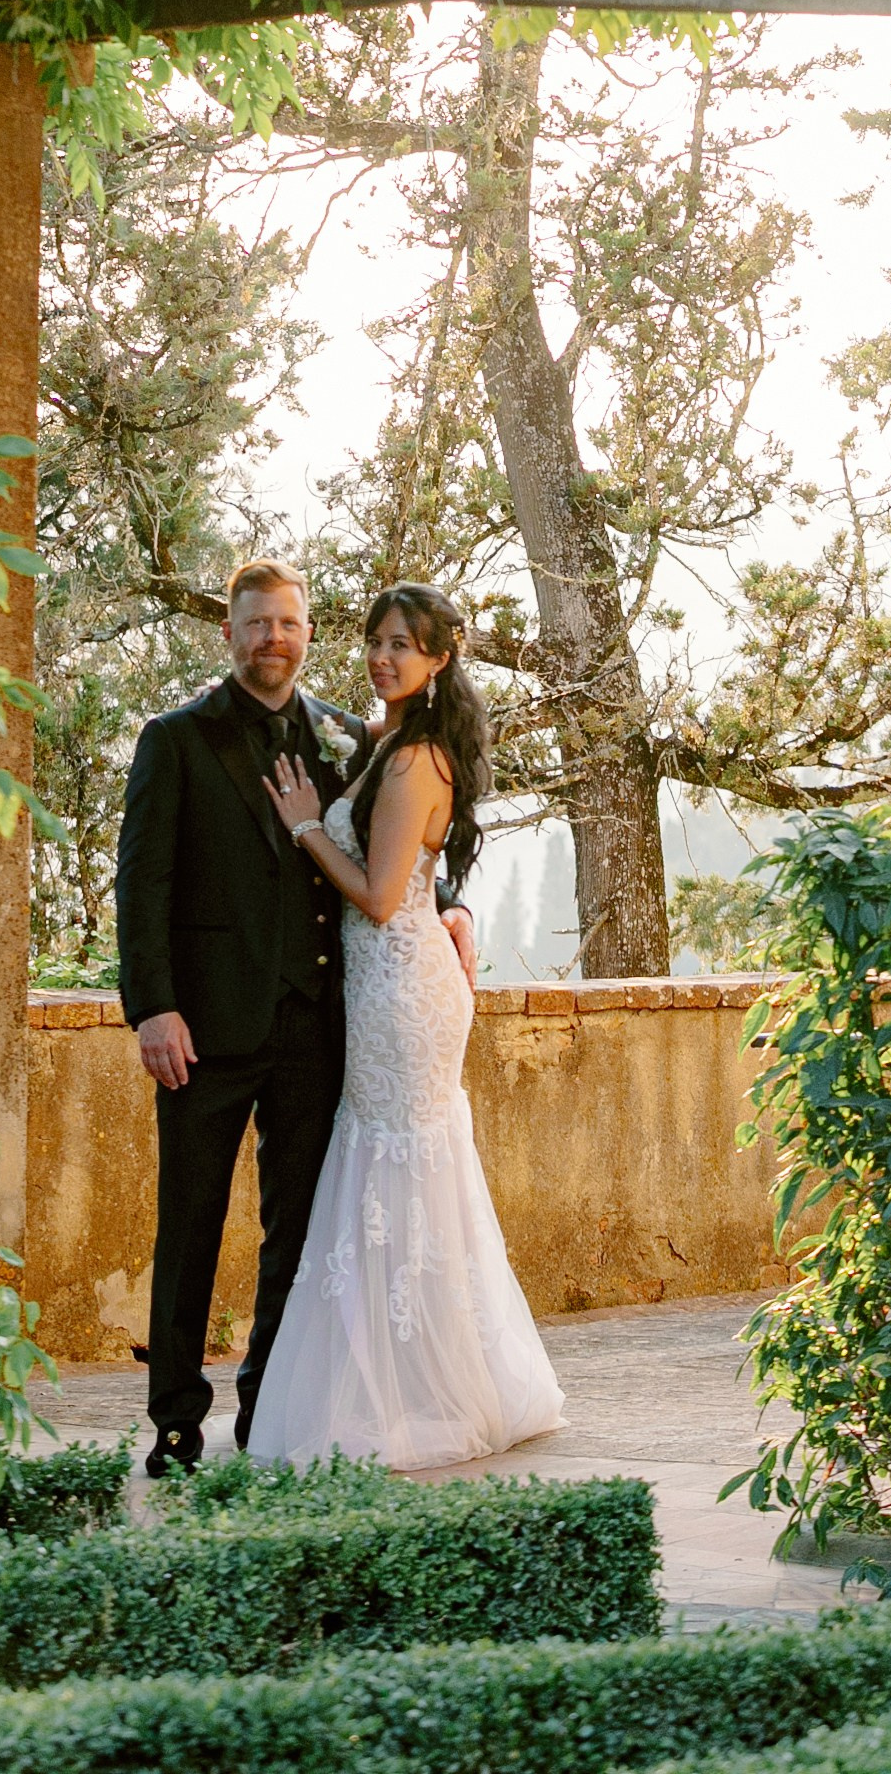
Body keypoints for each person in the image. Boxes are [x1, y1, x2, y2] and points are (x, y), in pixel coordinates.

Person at [113, 558, 479, 1474]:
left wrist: (455, 906)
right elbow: (141, 885)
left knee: (299, 1233)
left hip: (320, 1030)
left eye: (289, 624)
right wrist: (152, 1007)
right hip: (202, 1028)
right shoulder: (176, 739)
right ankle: (174, 1422)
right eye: (256, 623)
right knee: (188, 1224)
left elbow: (420, 832)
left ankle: (266, 1414)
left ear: (306, 634)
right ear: (230, 632)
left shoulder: (349, 738)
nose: (274, 638)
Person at [244, 582, 564, 1470]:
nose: (384, 657)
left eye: (404, 645)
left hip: (397, 988)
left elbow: (383, 899)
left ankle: (411, 1384)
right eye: (377, 641)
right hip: (396, 984)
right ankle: (423, 1369)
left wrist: (308, 828)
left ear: (440, 657)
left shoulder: (417, 756)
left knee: (391, 1162)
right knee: (404, 1165)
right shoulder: (393, 739)